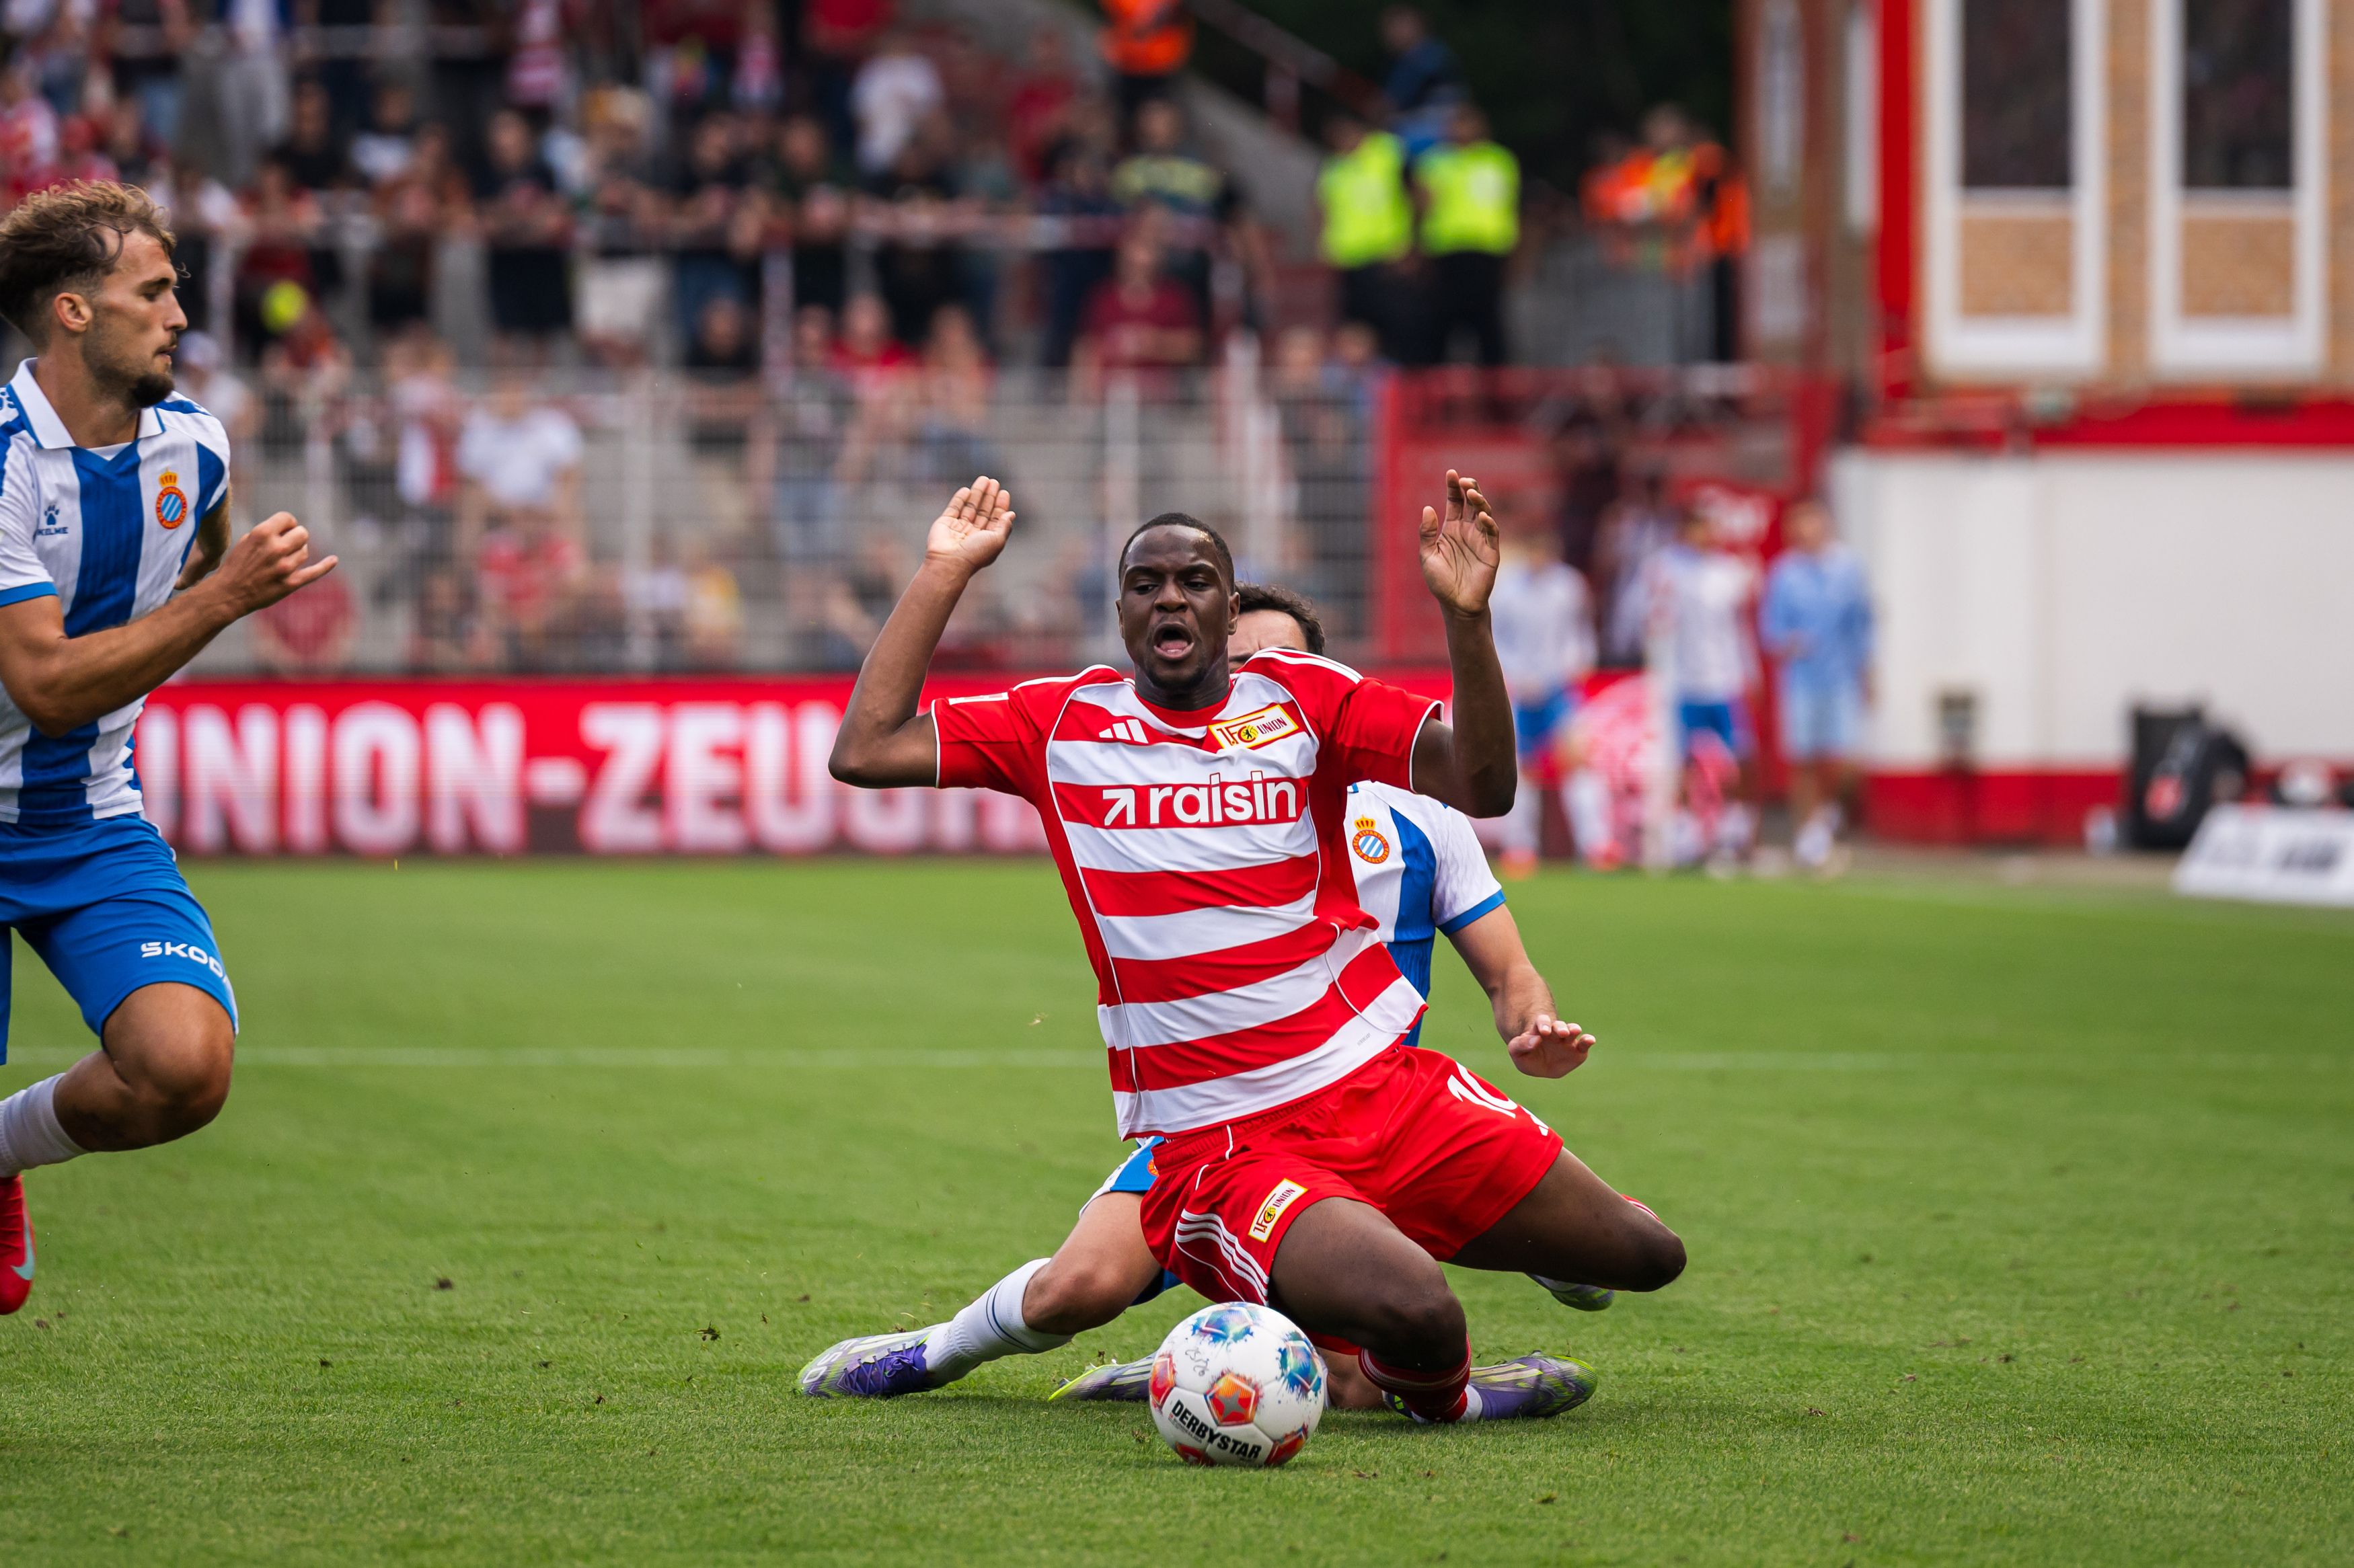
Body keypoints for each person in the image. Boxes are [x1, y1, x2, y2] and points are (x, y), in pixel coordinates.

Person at [817, 470, 1685, 1424]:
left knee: (1649, 1256)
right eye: (1146, 584)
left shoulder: (1307, 703)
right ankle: (1452, 1397)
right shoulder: (1058, 724)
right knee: (1415, 1311)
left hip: (1378, 1088)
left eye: (1194, 580)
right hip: (1222, 1138)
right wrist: (945, 572)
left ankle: (1368, 1324)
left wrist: (1467, 622)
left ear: (1227, 609)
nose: (1170, 597)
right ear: (1121, 613)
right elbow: (864, 748)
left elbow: (1482, 783)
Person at [0, 182, 338, 1313]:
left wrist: (215, 586)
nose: (180, 315)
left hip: (92, 818)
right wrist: (228, 600)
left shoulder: (195, 446)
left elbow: (202, 559)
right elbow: (46, 685)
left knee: (186, 1068)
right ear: (73, 312)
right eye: (153, 291)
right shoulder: (1, 463)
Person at [1759, 499, 1872, 869]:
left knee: (1845, 761)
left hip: (1839, 677)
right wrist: (1788, 642)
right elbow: (1770, 630)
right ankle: (1807, 833)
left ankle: (1826, 819)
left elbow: (1861, 624)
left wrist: (1868, 671)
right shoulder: (1785, 574)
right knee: (1804, 759)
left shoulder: (1848, 569)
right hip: (1801, 680)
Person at [1488, 500, 1595, 876]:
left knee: (1576, 761)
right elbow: (1497, 639)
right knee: (1525, 768)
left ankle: (1595, 845)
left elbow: (1579, 635)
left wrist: (1573, 666)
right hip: (1523, 691)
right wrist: (1517, 677)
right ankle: (1521, 848)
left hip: (1560, 688)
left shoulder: (1570, 586)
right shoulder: (1507, 590)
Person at [1648, 504, 1758, 861]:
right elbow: (1655, 622)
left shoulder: (1730, 573)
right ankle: (1686, 831)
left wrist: (1749, 671)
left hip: (1723, 679)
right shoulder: (1667, 568)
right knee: (1684, 760)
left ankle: (1733, 827)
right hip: (1683, 681)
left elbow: (1739, 628)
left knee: (1739, 757)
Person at [1413, 102, 1519, 367]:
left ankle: (1496, 391)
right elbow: (1421, 206)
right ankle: (1434, 385)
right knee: (1440, 321)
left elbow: (1511, 206)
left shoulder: (1499, 160)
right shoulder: (1434, 162)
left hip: (1488, 250)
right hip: (1446, 250)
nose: (1462, 130)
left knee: (1488, 323)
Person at [1317, 112, 1416, 364]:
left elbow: (1419, 194)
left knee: (1399, 330)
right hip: (1351, 259)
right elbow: (1324, 208)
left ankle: (1398, 388)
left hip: (1389, 256)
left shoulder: (1389, 152)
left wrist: (1414, 245)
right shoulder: (1334, 167)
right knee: (1357, 333)